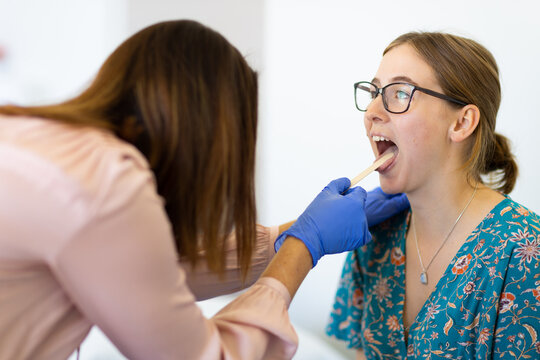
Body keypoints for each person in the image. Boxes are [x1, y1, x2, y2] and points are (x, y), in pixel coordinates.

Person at [0, 20, 409, 359]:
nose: (373, 111)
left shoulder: (42, 142)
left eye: (400, 94)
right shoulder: (102, 183)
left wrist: (291, 234)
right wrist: (304, 246)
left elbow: (148, 271)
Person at [326, 32, 540, 359]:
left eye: (399, 93)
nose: (370, 112)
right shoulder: (370, 237)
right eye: (373, 92)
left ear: (462, 123)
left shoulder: (526, 252)